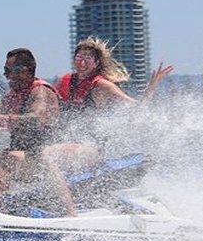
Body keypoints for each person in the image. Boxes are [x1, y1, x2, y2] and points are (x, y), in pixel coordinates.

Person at [45, 36, 174, 177]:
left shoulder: (101, 85)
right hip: (65, 145)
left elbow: (137, 109)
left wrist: (151, 87)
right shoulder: (64, 80)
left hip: (89, 149)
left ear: (96, 63)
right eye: (79, 57)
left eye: (87, 59)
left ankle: (64, 195)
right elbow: (51, 113)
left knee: (48, 153)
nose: (82, 62)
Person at [0, 48, 77, 216]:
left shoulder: (40, 91)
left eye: (7, 70)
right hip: (31, 154)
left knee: (6, 156)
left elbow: (36, 118)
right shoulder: (16, 91)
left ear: (23, 71)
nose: (6, 75)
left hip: (49, 154)